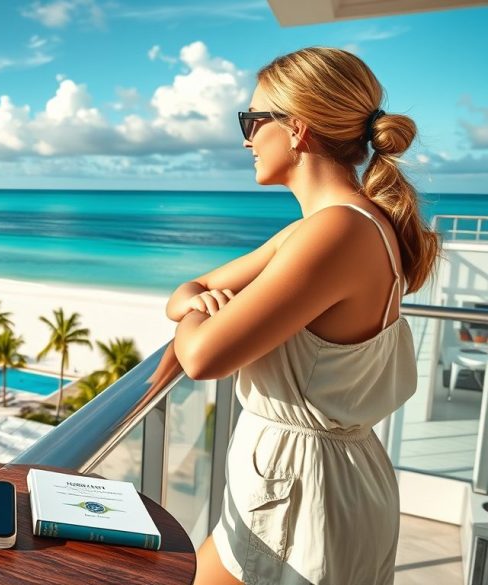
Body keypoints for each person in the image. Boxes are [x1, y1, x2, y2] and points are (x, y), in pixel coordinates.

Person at [166, 47, 439, 585]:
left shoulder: (336, 232)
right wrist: (197, 305)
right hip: (292, 483)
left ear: (295, 129)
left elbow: (200, 357)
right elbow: (193, 288)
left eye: (251, 120)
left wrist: (199, 317)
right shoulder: (330, 226)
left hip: (300, 494)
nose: (246, 138)